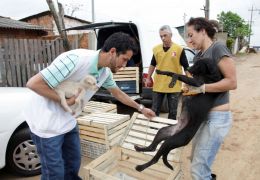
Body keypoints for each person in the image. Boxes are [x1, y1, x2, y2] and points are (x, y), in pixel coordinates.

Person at [24, 32, 156, 180]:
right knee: (54, 174)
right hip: (46, 123)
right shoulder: (76, 60)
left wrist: (141, 109)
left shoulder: (104, 72)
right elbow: (34, 84)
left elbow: (118, 94)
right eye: (124, 59)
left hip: (68, 121)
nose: (125, 65)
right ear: (112, 52)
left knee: (72, 165)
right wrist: (64, 101)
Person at [186, 17, 237, 180]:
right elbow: (198, 86)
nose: (189, 40)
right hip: (201, 117)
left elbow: (231, 82)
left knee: (199, 170)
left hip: (216, 118)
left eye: (191, 34)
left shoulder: (218, 48)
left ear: (202, 31)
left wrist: (201, 88)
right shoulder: (198, 57)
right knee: (197, 163)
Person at [145, 25, 189, 120]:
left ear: (171, 35)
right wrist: (148, 78)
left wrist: (189, 81)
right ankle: (153, 128)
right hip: (159, 84)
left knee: (173, 111)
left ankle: (170, 130)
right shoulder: (156, 49)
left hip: (173, 84)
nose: (163, 38)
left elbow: (186, 67)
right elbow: (152, 64)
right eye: (161, 36)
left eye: (165, 35)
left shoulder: (179, 49)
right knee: (155, 109)